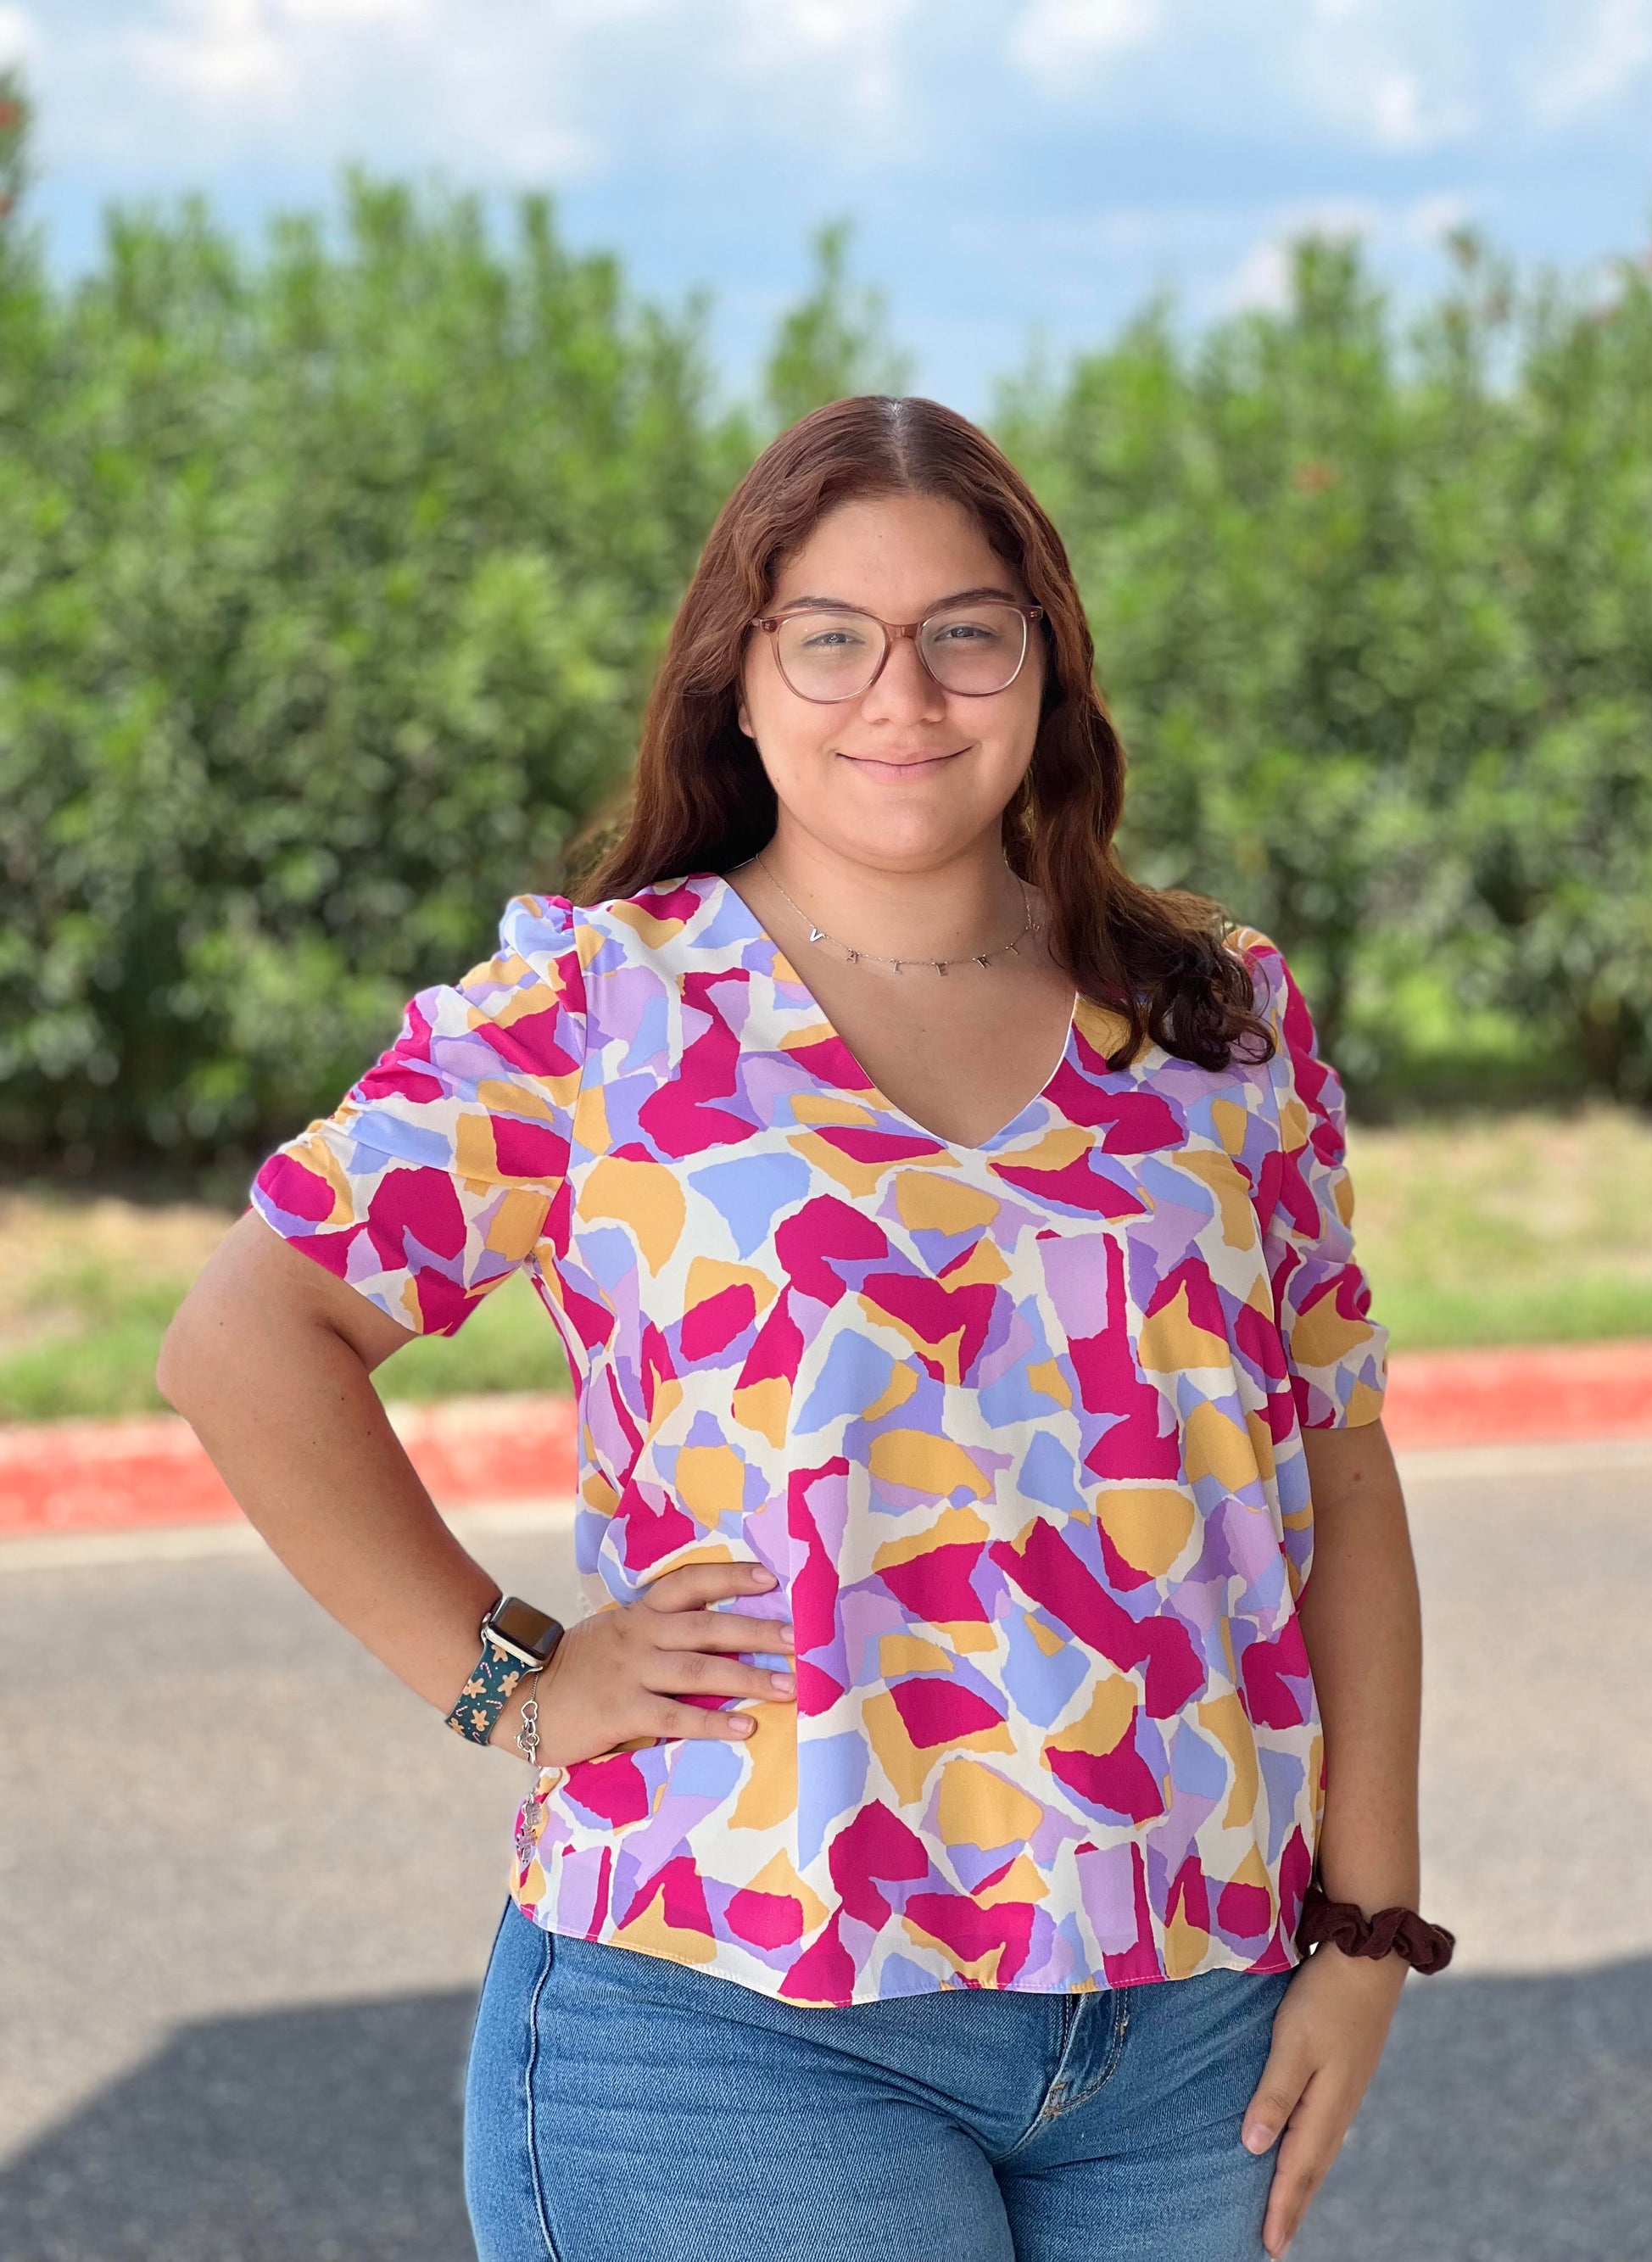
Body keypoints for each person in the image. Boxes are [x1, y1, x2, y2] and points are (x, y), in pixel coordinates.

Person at [159, 394, 1445, 2262]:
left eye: (963, 632)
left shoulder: (1218, 1027)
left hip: (1187, 2039)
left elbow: (1336, 1470)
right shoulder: (594, 1010)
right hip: (731, 2018)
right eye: (829, 636)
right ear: (738, 683)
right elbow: (244, 1331)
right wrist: (507, 1668)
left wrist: (1367, 1926)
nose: (900, 694)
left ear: (1045, 665)